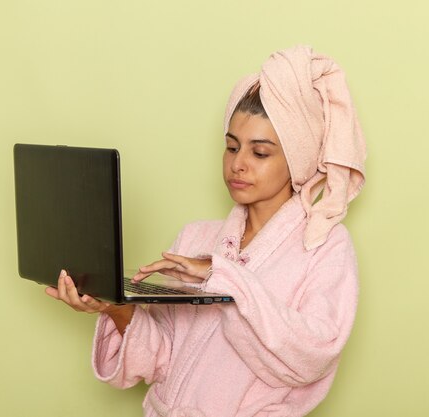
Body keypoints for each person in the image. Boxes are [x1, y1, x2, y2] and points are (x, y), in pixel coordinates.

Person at [45, 45, 366, 417]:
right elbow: (161, 360)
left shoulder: (324, 246)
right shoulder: (197, 238)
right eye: (231, 148)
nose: (238, 164)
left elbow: (310, 356)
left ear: (299, 159)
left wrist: (223, 277)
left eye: (259, 153)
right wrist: (117, 308)